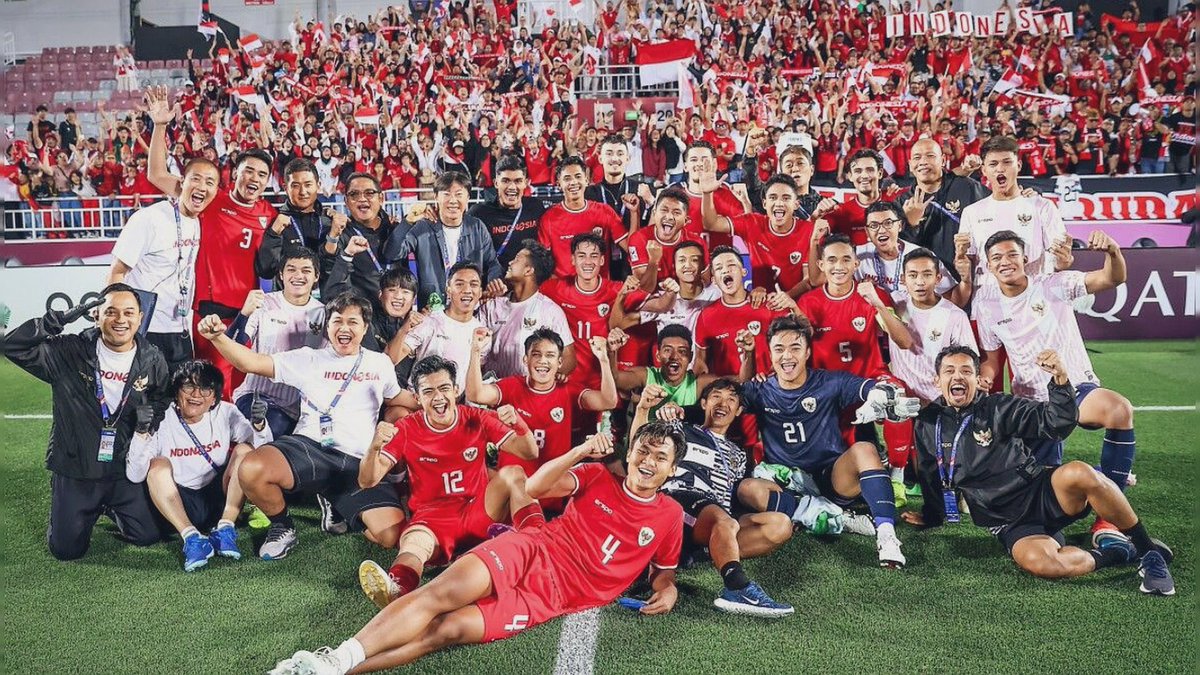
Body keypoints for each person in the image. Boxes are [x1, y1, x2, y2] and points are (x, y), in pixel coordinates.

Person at [270, 425, 684, 675]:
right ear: (629, 453)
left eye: (659, 457)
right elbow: (536, 488)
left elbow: (663, 569)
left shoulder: (669, 515)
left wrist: (668, 587)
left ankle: (330, 670)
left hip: (551, 598)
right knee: (438, 596)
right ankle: (336, 657)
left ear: (671, 469)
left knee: (444, 631)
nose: (648, 461)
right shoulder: (596, 476)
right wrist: (579, 452)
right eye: (642, 451)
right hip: (533, 548)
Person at [903, 346, 1174, 595]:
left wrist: (1060, 381)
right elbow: (930, 472)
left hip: (1040, 491)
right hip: (1008, 521)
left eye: (966, 371)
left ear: (977, 380)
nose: (958, 376)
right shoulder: (927, 424)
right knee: (1044, 564)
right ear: (937, 381)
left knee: (1081, 473)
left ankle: (1148, 552)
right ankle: (1118, 552)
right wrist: (933, 514)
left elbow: (1055, 423)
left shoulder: (998, 407)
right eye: (949, 371)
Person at [196, 292, 410, 560]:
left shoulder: (379, 363)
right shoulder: (309, 358)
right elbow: (250, 362)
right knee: (251, 468)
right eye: (337, 321)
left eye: (353, 322)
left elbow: (398, 397)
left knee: (390, 536)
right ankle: (282, 525)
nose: (344, 328)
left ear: (365, 327)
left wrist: (438, 400)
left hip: (359, 461)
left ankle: (336, 501)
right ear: (327, 327)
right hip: (311, 448)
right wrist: (218, 337)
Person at [973, 229, 1139, 538]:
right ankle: (1092, 484)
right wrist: (984, 376)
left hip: (1074, 387)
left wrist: (1113, 252)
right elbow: (992, 360)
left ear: (1025, 258)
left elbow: (1111, 279)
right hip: (1031, 406)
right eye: (997, 257)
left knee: (1118, 409)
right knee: (1040, 489)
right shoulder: (985, 304)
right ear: (988, 265)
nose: (1005, 261)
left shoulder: (1053, 285)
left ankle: (1111, 517)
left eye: (1012, 254)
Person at [355, 355, 540, 607]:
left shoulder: (476, 417)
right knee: (413, 542)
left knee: (514, 474)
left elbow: (529, 452)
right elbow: (368, 480)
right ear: (418, 398)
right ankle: (397, 588)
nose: (438, 398)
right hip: (432, 518)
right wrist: (374, 447)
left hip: (477, 509)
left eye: (444, 388)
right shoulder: (407, 427)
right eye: (429, 391)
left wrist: (519, 423)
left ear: (456, 390)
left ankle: (538, 542)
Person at [735, 315, 920, 568]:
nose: (787, 356)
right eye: (779, 349)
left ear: (808, 352)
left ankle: (887, 536)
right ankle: (838, 519)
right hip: (786, 484)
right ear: (769, 353)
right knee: (747, 489)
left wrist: (881, 395)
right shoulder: (762, 390)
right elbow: (735, 397)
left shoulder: (830, 382)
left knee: (865, 449)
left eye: (795, 348)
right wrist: (746, 358)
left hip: (830, 479)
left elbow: (869, 387)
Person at [5, 284, 169, 560]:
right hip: (76, 467)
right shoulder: (69, 351)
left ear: (140, 317)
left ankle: (108, 506)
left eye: (129, 312)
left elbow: (162, 398)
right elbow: (11, 346)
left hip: (122, 467)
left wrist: (148, 421)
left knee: (148, 535)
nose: (121, 320)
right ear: (96, 315)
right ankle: (73, 504)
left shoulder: (152, 357)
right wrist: (51, 323)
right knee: (66, 551)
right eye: (111, 312)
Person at [146, 88, 277, 398]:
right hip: (206, 313)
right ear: (235, 174)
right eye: (248, 171)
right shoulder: (209, 198)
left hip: (245, 318)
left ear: (268, 181)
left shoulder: (269, 214)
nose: (254, 179)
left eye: (262, 174)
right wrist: (161, 126)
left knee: (238, 393)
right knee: (205, 389)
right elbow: (156, 175)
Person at [633, 381, 794, 617]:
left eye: (731, 400)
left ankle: (697, 553)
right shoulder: (681, 429)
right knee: (724, 521)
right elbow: (640, 443)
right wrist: (644, 410)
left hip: (712, 517)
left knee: (780, 525)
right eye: (716, 397)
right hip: (678, 501)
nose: (723, 404)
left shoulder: (739, 455)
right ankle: (737, 587)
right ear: (704, 403)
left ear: (739, 410)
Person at [125, 359, 268, 571]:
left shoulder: (226, 412)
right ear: (177, 391)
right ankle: (191, 538)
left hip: (218, 500)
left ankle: (225, 529)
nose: (196, 395)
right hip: (177, 502)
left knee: (245, 451)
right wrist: (141, 432)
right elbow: (135, 475)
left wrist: (260, 426)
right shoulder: (161, 417)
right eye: (189, 386)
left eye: (205, 389)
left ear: (214, 398)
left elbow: (263, 453)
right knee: (157, 466)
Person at [106, 158, 220, 370]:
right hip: (146, 329)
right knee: (142, 401)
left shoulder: (200, 220)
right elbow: (116, 272)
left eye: (210, 182)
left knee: (177, 399)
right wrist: (119, 322)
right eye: (196, 179)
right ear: (182, 182)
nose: (202, 186)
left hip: (181, 329)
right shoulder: (149, 218)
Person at [467, 327, 616, 487]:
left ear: (559, 362)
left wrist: (604, 360)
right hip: (513, 490)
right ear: (526, 360)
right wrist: (475, 351)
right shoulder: (511, 386)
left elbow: (608, 401)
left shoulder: (569, 390)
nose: (542, 361)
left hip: (552, 490)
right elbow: (476, 394)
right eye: (536, 354)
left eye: (550, 355)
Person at [226, 248, 326, 439]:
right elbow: (233, 346)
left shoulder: (322, 313)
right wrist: (244, 314)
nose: (298, 275)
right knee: (272, 433)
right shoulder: (263, 304)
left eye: (306, 270)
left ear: (316, 277)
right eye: (291, 269)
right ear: (281, 274)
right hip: (256, 397)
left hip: (297, 407)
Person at [958, 136, 1068, 285]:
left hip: (1033, 296)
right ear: (984, 170)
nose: (1000, 168)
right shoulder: (971, 212)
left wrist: (1063, 261)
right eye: (993, 164)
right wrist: (960, 257)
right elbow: (967, 263)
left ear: (1019, 165)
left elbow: (1059, 260)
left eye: (1007, 162)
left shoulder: (1043, 207)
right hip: (988, 299)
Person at [384, 171, 503, 309]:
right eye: (446, 194)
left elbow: (492, 262)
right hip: (432, 309)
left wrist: (493, 281)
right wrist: (408, 222)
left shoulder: (476, 227)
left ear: (468, 197)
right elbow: (391, 254)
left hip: (469, 309)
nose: (453, 200)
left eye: (459, 194)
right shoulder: (422, 226)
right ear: (436, 197)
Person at [702, 172, 816, 298]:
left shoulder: (808, 230)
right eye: (773, 197)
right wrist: (707, 194)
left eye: (786, 198)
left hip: (796, 305)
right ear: (764, 203)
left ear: (796, 204)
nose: (779, 203)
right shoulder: (752, 222)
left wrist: (786, 297)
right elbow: (711, 224)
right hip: (761, 304)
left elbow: (809, 279)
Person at [889, 249, 978, 406]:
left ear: (938, 278)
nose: (920, 282)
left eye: (927, 274)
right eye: (913, 275)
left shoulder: (955, 316)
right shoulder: (895, 302)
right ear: (903, 279)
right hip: (903, 402)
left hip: (939, 403)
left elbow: (969, 361)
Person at [477, 240, 576, 379]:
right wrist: (483, 296)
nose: (510, 262)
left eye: (517, 259)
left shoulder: (550, 311)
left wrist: (548, 378)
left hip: (527, 395)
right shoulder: (492, 305)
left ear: (528, 270)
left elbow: (569, 360)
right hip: (491, 392)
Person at [610, 323, 755, 418]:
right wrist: (611, 352)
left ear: (690, 356)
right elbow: (613, 380)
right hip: (648, 452)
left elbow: (742, 382)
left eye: (682, 351)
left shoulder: (698, 383)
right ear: (657, 355)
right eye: (668, 350)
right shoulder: (646, 376)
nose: (674, 357)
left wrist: (749, 353)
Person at [694, 246, 795, 378]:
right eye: (719, 268)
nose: (725, 270)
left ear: (744, 272)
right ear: (714, 279)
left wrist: (774, 376)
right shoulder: (706, 316)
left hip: (768, 386)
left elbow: (792, 345)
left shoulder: (769, 305)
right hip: (730, 391)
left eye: (731, 265)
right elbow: (701, 361)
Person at [895, 138, 988, 272]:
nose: (923, 162)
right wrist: (911, 224)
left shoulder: (966, 187)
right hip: (928, 284)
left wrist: (1022, 194)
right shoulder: (901, 203)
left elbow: (997, 206)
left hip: (970, 277)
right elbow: (899, 254)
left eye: (930, 156)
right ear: (910, 165)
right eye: (917, 157)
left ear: (943, 160)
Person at [856, 202, 969, 308]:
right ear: (867, 231)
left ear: (900, 225)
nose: (881, 230)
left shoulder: (922, 257)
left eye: (888, 223)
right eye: (874, 225)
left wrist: (966, 280)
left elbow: (954, 300)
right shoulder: (858, 256)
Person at [399, 262, 487, 390]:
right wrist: (404, 329)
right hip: (418, 402)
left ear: (480, 292)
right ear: (448, 290)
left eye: (473, 284)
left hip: (455, 406)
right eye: (459, 284)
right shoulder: (428, 321)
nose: (467, 290)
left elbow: (476, 377)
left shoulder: (481, 333)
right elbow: (392, 358)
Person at [538, 156, 629, 278]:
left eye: (578, 176)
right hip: (564, 293)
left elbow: (630, 246)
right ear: (559, 184)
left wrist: (635, 213)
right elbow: (542, 263)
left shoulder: (604, 211)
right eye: (567, 178)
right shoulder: (548, 219)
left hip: (599, 291)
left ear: (586, 180)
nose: (573, 182)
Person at [256, 158, 337, 283]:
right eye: (295, 186)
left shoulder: (329, 222)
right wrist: (273, 235)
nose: (302, 192)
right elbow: (266, 271)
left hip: (326, 299)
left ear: (318, 185)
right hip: (287, 300)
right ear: (285, 188)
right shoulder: (275, 223)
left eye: (308, 184)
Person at [323, 173, 397, 306]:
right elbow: (330, 277)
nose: (362, 199)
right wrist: (333, 236)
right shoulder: (342, 234)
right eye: (354, 194)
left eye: (369, 193)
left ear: (381, 198)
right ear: (346, 201)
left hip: (399, 316)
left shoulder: (395, 229)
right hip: (364, 318)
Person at [467, 155, 547, 269]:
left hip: (527, 283)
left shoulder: (535, 207)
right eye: (505, 181)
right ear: (496, 183)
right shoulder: (479, 213)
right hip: (493, 283)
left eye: (518, 181)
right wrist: (434, 215)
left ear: (526, 183)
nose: (512, 187)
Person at [816, 149, 904, 246]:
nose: (864, 175)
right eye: (858, 171)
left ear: (880, 173)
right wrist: (814, 217)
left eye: (870, 170)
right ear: (850, 176)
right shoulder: (841, 212)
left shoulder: (897, 198)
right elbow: (810, 239)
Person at [626, 188, 706, 288]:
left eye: (676, 213)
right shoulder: (639, 239)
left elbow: (705, 285)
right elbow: (643, 290)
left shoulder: (697, 243)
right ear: (654, 213)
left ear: (686, 220)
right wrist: (654, 261)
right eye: (664, 210)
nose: (669, 217)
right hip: (652, 300)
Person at [674, 141, 747, 250]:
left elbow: (747, 228)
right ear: (685, 166)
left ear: (715, 164)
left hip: (718, 264)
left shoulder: (728, 195)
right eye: (694, 160)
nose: (699, 164)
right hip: (685, 265)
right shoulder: (674, 198)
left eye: (704, 159)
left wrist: (746, 204)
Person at [359, 267, 422, 388]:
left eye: (406, 291)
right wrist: (404, 329)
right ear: (381, 295)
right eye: (392, 290)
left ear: (413, 299)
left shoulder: (420, 326)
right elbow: (380, 366)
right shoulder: (366, 323)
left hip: (411, 393)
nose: (398, 296)